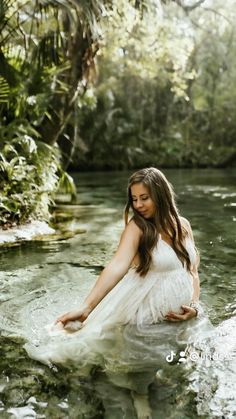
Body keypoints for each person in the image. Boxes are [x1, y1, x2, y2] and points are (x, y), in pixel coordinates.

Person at [25, 167, 204, 418]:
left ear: (161, 195)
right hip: (143, 313)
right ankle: (139, 394)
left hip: (179, 317)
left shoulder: (183, 225)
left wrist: (194, 307)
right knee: (139, 359)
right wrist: (87, 307)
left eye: (145, 198)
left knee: (168, 358)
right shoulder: (138, 228)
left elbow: (192, 271)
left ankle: (146, 385)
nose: (138, 205)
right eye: (134, 199)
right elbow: (117, 266)